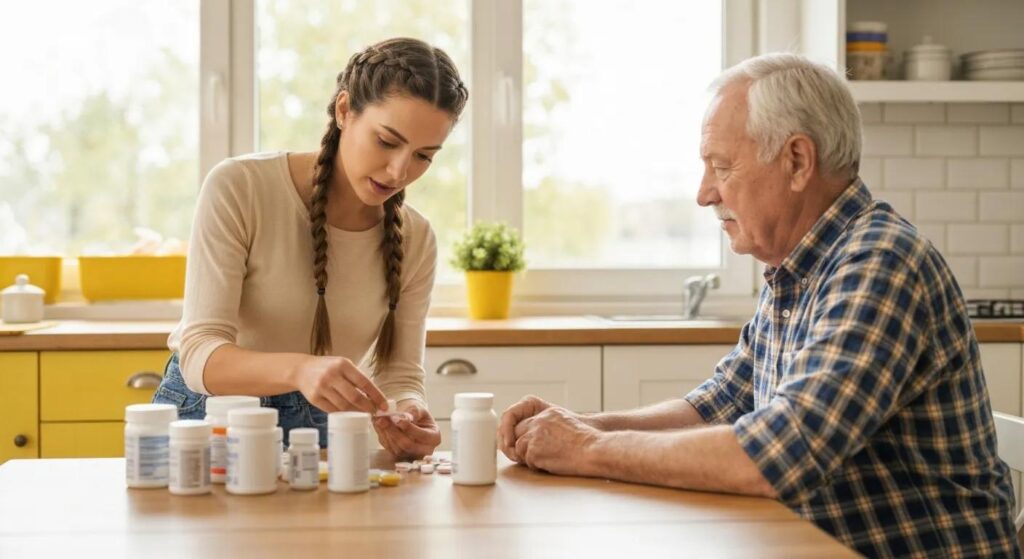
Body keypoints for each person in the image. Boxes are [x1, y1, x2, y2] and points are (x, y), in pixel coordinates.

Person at [499, 53, 1020, 557]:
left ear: (796, 161)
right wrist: (585, 425)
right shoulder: (799, 266)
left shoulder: (880, 262)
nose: (704, 194)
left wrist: (585, 449)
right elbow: (720, 402)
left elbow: (780, 455)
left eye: (721, 167)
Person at [153, 37, 468, 458]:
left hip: (321, 426)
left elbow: (401, 373)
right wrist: (301, 370)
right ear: (344, 110)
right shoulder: (240, 187)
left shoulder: (416, 238)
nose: (399, 171)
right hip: (210, 417)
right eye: (387, 141)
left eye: (424, 156)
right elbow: (198, 353)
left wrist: (408, 411)